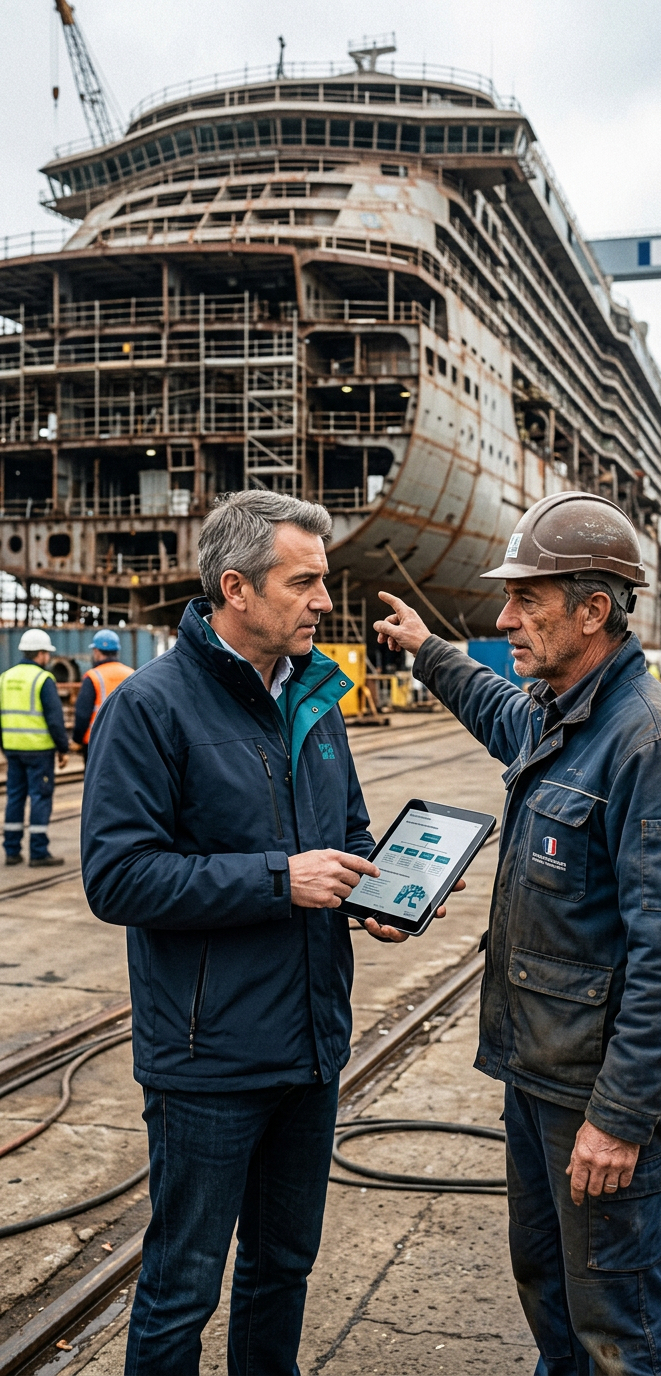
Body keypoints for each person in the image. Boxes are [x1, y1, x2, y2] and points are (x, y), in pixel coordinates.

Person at [81, 490, 461, 1376]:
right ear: (236, 589)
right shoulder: (151, 707)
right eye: (306, 582)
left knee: (283, 1267)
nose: (326, 601)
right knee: (182, 1286)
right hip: (208, 1056)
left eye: (323, 581)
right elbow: (116, 876)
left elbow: (352, 831)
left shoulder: (316, 700)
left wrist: (379, 891)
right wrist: (278, 879)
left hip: (312, 1044)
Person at [374, 490, 661, 1376]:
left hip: (592, 1099)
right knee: (551, 1291)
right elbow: (498, 709)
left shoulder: (647, 743)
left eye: (527, 599)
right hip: (536, 1074)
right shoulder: (567, 715)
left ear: (593, 609)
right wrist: (427, 650)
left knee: (617, 1322)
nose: (506, 617)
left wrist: (621, 1117)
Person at [0, 629, 69, 867]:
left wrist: (5, 745)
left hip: (12, 748)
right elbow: (54, 719)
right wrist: (63, 748)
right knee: (40, 796)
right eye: (47, 654)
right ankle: (38, 851)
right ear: (40, 654)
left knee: (15, 797)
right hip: (39, 751)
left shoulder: (5, 677)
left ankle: (11, 850)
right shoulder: (43, 679)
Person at [72, 629, 133, 767]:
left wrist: (77, 739)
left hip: (96, 742)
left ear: (97, 652)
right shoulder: (131, 674)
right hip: (126, 740)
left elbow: (82, 713)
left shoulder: (93, 677)